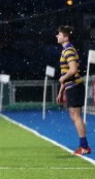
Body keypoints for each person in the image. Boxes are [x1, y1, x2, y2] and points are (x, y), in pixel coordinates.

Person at [55, 25, 91, 155]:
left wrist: (63, 78)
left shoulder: (68, 50)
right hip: (72, 87)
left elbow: (73, 70)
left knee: (76, 116)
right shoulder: (66, 50)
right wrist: (61, 90)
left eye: (59, 34)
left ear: (66, 37)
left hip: (75, 87)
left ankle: (84, 146)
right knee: (74, 116)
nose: (57, 36)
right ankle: (84, 145)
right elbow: (68, 72)